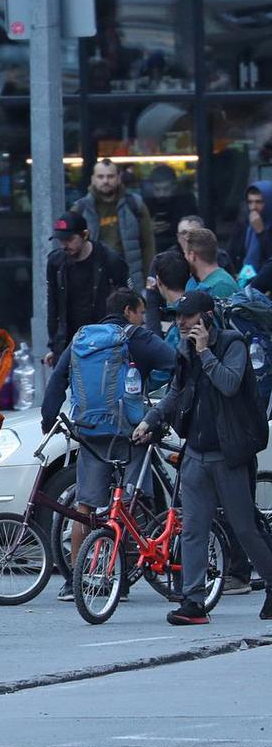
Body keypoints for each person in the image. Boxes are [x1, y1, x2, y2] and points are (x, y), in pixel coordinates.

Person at [133, 291, 272, 625]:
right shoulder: (185, 349)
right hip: (195, 452)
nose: (181, 322)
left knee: (244, 528)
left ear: (208, 316)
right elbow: (177, 392)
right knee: (193, 529)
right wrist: (150, 420)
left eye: (188, 316)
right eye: (178, 316)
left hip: (229, 455)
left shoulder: (232, 344)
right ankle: (193, 602)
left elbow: (229, 384)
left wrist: (205, 352)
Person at [42, 289, 176, 600]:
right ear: (128, 310)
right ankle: (121, 579)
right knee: (129, 505)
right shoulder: (137, 338)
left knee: (84, 507)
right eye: (140, 312)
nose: (142, 319)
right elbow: (176, 363)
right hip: (130, 434)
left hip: (90, 433)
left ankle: (76, 580)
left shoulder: (82, 339)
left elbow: (58, 379)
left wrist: (48, 420)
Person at [45, 212, 130, 365]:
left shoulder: (109, 259)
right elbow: (53, 306)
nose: (64, 245)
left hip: (103, 339)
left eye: (69, 240)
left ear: (84, 235)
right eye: (61, 241)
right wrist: (53, 345)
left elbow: (126, 299)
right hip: (68, 341)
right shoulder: (56, 262)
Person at [73, 158, 154, 290]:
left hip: (131, 280)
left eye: (110, 176)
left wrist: (149, 279)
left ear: (118, 178)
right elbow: (72, 248)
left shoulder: (135, 204)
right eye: (100, 176)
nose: (105, 181)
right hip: (93, 283)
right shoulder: (80, 209)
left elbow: (148, 244)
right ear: (93, 179)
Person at [231, 180, 272, 277]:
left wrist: (261, 232)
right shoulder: (244, 225)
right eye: (250, 202)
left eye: (259, 202)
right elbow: (232, 253)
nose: (253, 207)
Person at [183, 227, 239, 298]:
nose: (184, 257)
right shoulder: (212, 284)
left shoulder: (220, 287)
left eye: (185, 253)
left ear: (192, 256)